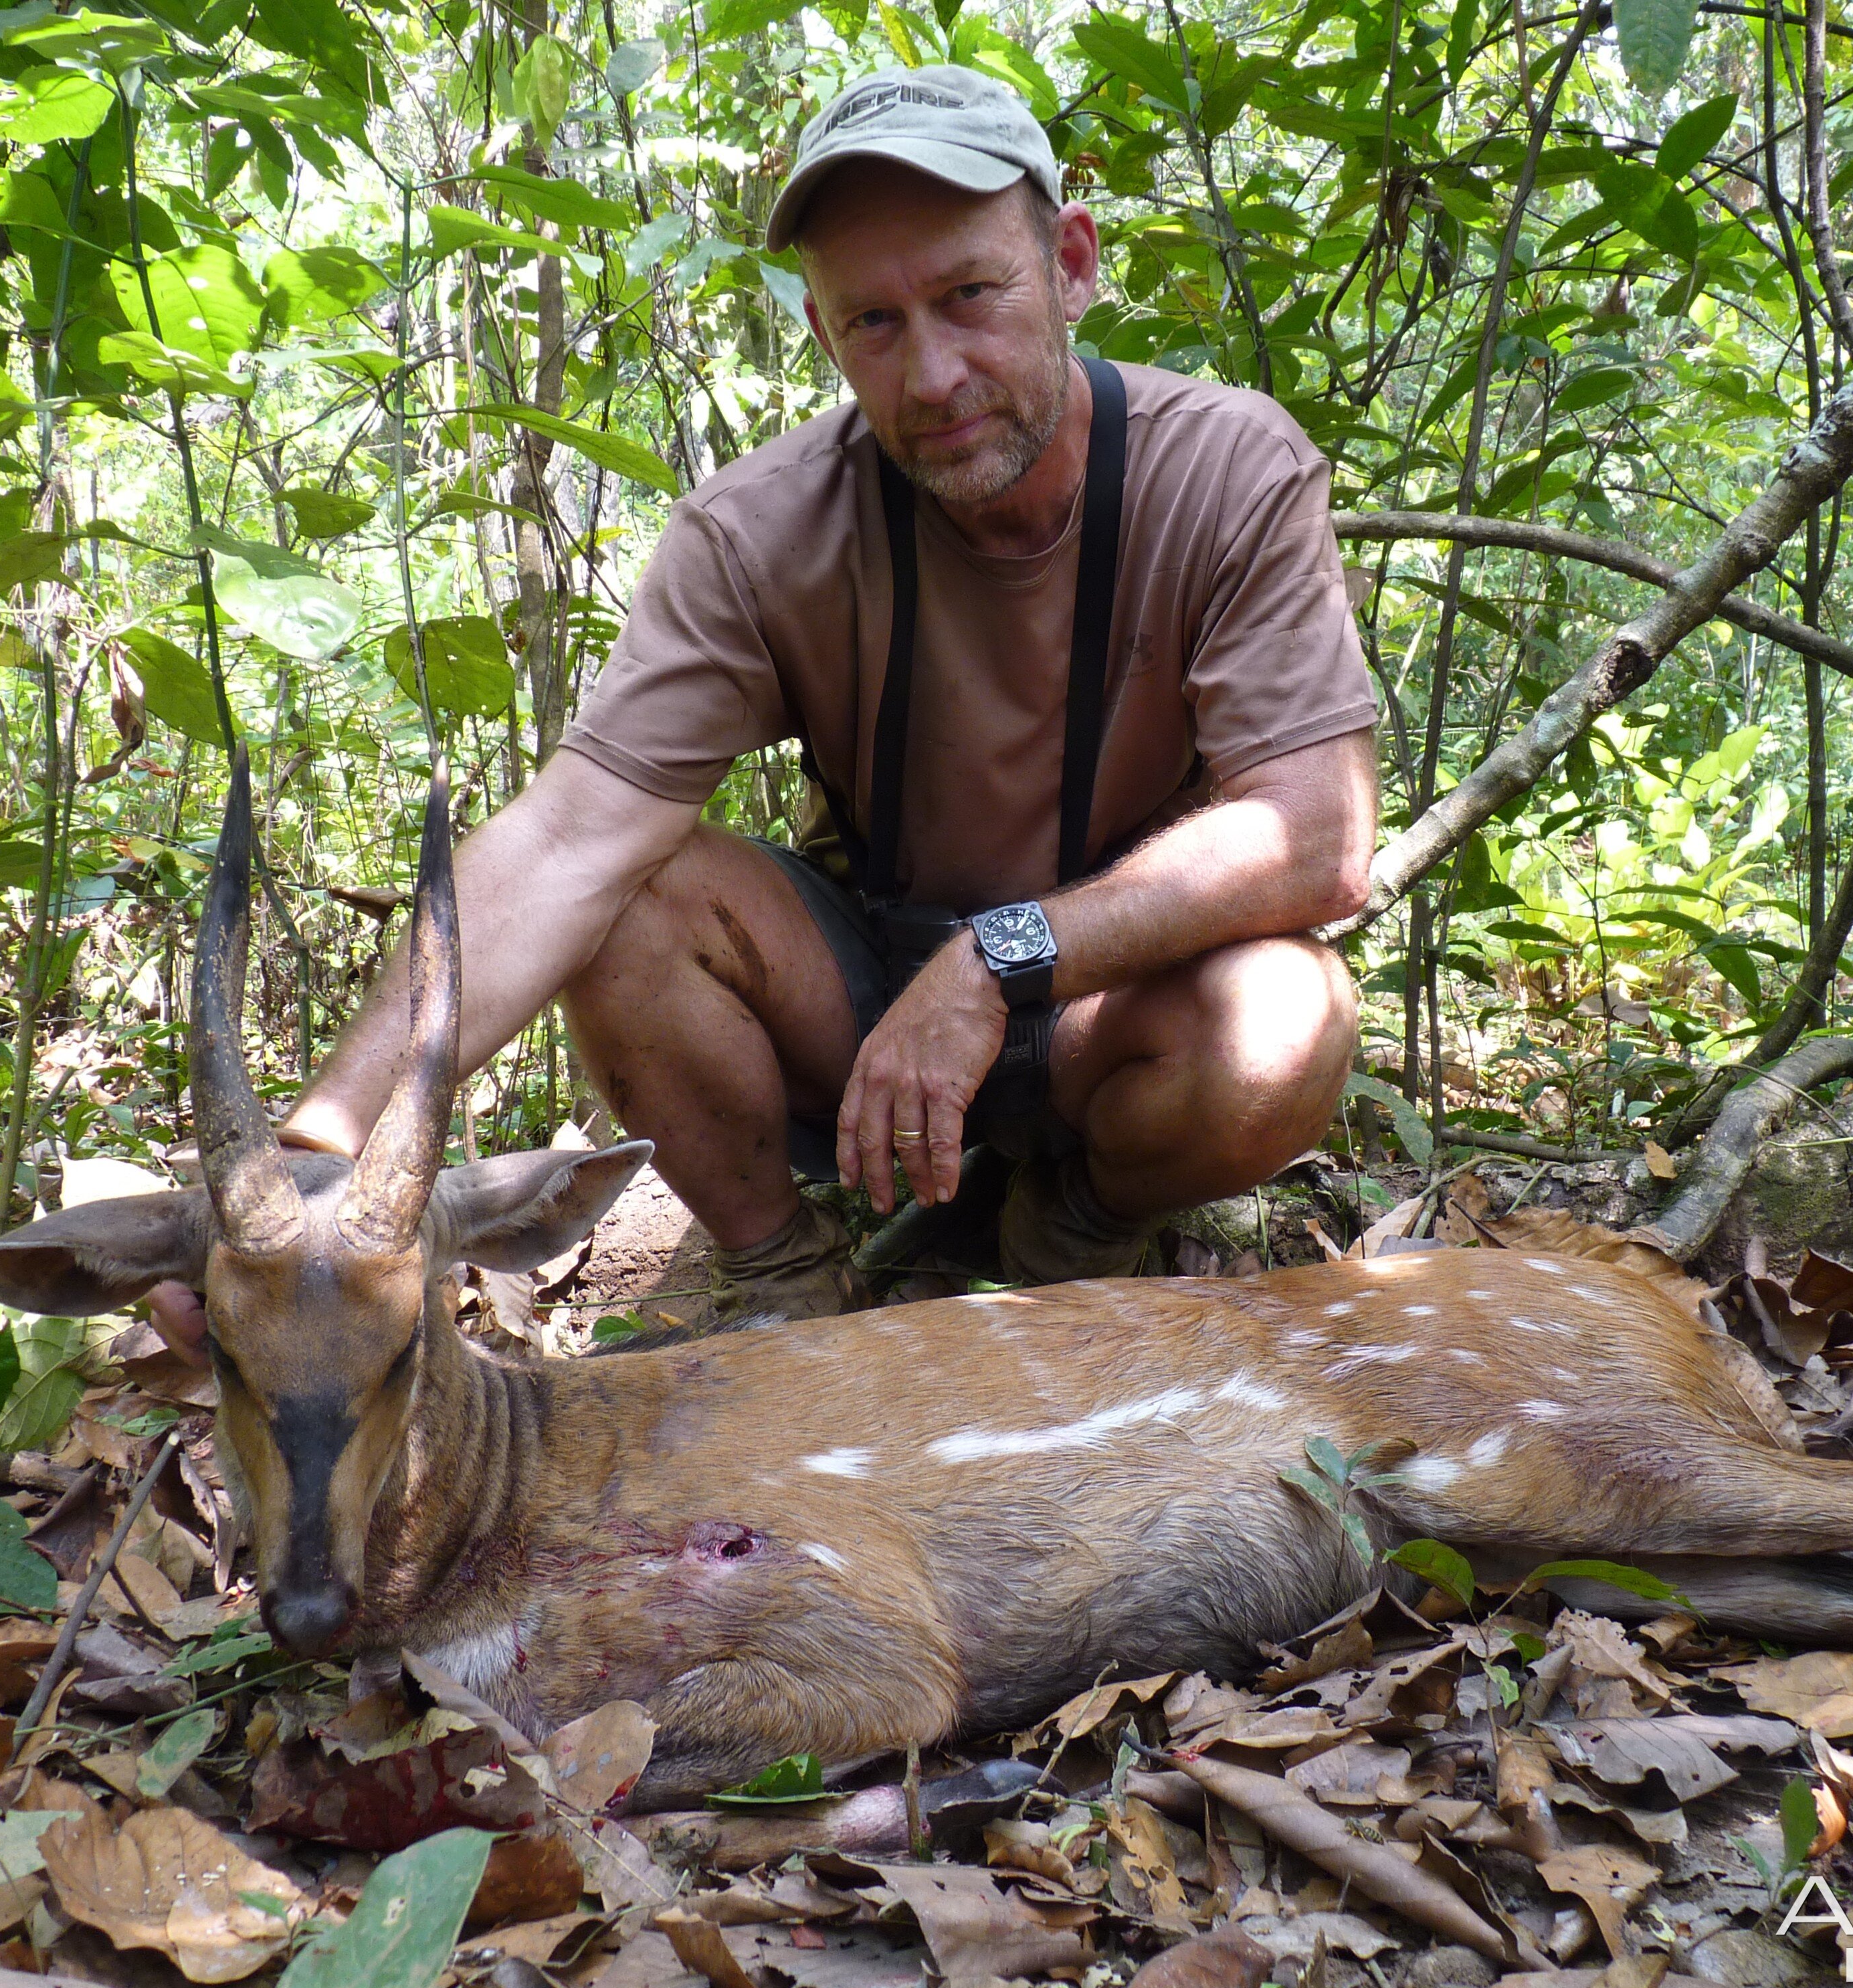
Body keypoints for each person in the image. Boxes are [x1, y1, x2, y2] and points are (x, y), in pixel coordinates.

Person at [201, 64, 1379, 1328]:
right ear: (824, 336)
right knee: (631, 896)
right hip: (865, 992)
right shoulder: (760, 532)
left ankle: (1070, 1235)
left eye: (971, 295)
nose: (932, 375)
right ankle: (783, 1271)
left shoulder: (1228, 469)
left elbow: (1317, 838)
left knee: (1286, 1019)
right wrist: (321, 1143)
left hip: (1111, 1007)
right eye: (874, 322)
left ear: (1073, 267)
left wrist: (999, 957)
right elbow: (563, 845)